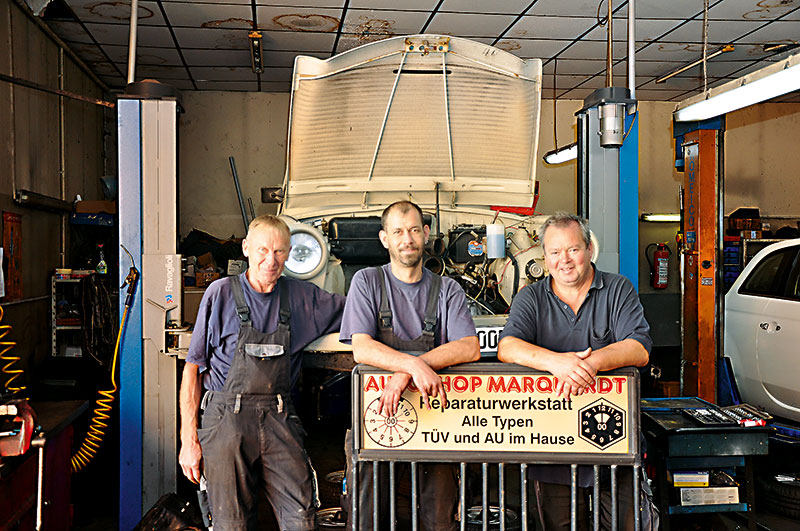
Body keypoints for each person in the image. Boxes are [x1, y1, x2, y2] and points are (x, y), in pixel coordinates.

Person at [178, 215, 345, 531]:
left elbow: (360, 312)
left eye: (280, 251)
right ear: (245, 249)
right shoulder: (220, 294)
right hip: (225, 421)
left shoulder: (304, 297)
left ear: (290, 252)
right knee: (231, 523)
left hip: (279, 418)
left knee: (301, 519)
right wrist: (189, 439)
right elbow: (192, 369)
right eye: (263, 250)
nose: (271, 260)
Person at [497, 211, 652, 531]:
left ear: (589, 249)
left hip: (614, 441)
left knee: (626, 525)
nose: (564, 260)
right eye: (554, 252)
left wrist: (588, 365)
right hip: (554, 447)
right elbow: (507, 347)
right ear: (544, 255)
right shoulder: (531, 297)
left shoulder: (618, 290)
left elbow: (638, 347)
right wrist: (556, 362)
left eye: (573, 249)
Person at [340, 200, 480, 530]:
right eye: (399, 231)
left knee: (438, 519)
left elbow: (469, 347)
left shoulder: (448, 289)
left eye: (415, 230)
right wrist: (414, 368)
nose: (408, 239)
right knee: (367, 518)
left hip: (436, 425)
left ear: (426, 234)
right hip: (376, 422)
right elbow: (361, 347)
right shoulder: (367, 282)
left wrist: (406, 371)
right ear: (384, 238)